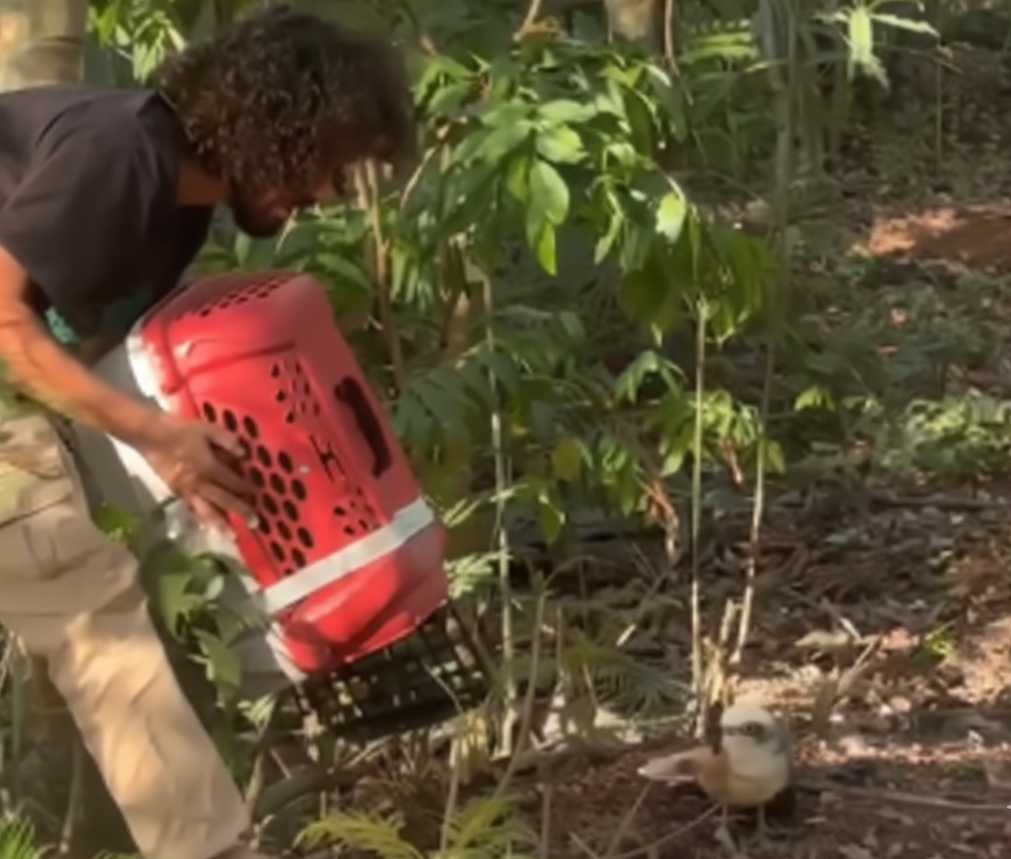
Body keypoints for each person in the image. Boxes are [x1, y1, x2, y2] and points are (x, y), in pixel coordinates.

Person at [0, 4, 415, 859]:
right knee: (86, 603)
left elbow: (92, 348)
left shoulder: (177, 202)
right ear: (276, 128)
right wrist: (155, 436)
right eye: (330, 165)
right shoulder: (121, 156)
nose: (328, 195)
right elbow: (5, 320)